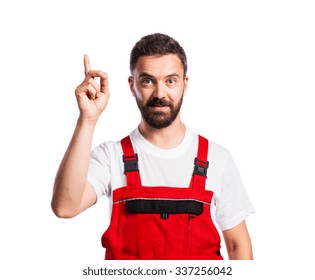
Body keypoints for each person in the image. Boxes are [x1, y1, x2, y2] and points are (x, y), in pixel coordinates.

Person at [52, 33, 254, 260]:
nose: (160, 94)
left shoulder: (217, 158)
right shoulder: (112, 157)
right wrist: (87, 119)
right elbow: (65, 207)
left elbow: (238, 248)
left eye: (170, 81)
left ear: (184, 84)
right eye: (148, 80)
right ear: (132, 85)